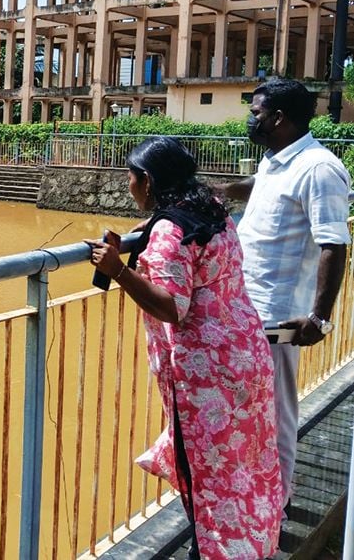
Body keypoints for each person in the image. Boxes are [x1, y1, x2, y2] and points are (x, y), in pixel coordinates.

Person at [87, 137, 281, 560]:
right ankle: (255, 541)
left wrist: (117, 268)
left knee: (209, 471)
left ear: (149, 180)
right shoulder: (213, 211)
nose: (129, 184)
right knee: (245, 461)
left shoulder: (170, 231)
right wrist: (148, 233)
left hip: (208, 374)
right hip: (245, 353)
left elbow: (173, 307)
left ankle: (216, 551)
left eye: (131, 176)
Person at [225, 79, 350, 524]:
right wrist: (220, 193)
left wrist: (320, 317)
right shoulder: (278, 160)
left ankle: (274, 510)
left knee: (275, 414)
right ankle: (251, 495)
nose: (251, 119)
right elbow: (257, 185)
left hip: (280, 317)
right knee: (251, 410)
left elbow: (334, 244)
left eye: (256, 112)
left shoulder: (318, 167)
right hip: (249, 312)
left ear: (278, 118)